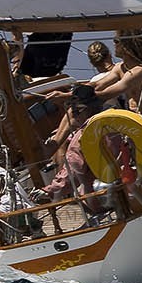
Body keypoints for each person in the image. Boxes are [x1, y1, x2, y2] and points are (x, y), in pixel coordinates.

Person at [41, 84, 105, 213]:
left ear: (81, 110)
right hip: (120, 190)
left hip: (99, 201)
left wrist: (48, 191)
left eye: (73, 111)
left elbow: (74, 173)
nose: (72, 116)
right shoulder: (110, 123)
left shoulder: (83, 137)